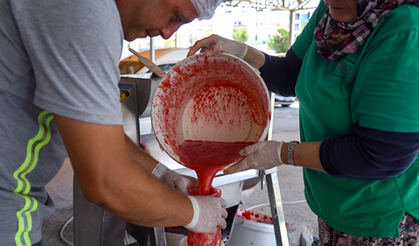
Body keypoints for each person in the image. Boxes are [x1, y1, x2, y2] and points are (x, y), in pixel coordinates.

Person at [187, 0, 419, 245]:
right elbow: (291, 75)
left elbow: (381, 155)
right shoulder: (331, 14)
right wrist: (241, 52)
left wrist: (283, 152)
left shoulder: (404, 30)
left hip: (381, 216)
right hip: (333, 204)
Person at [0, 0, 228, 245]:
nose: (167, 33)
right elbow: (105, 182)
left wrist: (162, 174)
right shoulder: (86, 12)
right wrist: (193, 212)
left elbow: (95, 133)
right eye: (175, 15)